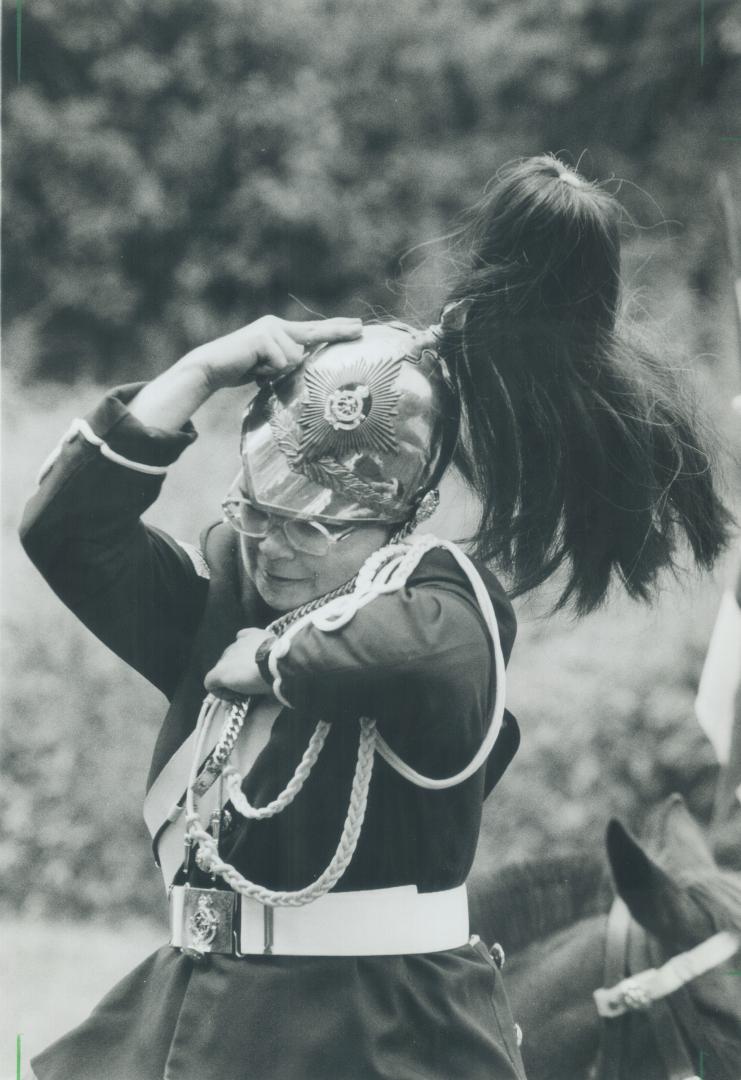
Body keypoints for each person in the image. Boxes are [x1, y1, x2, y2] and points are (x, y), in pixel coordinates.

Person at [20, 155, 730, 1080]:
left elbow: (426, 650)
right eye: (259, 516)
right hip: (191, 1014)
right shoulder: (227, 614)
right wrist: (198, 372)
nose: (272, 545)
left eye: (311, 527)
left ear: (397, 520)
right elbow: (66, 530)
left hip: (381, 1035)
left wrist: (271, 660)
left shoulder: (448, 613)